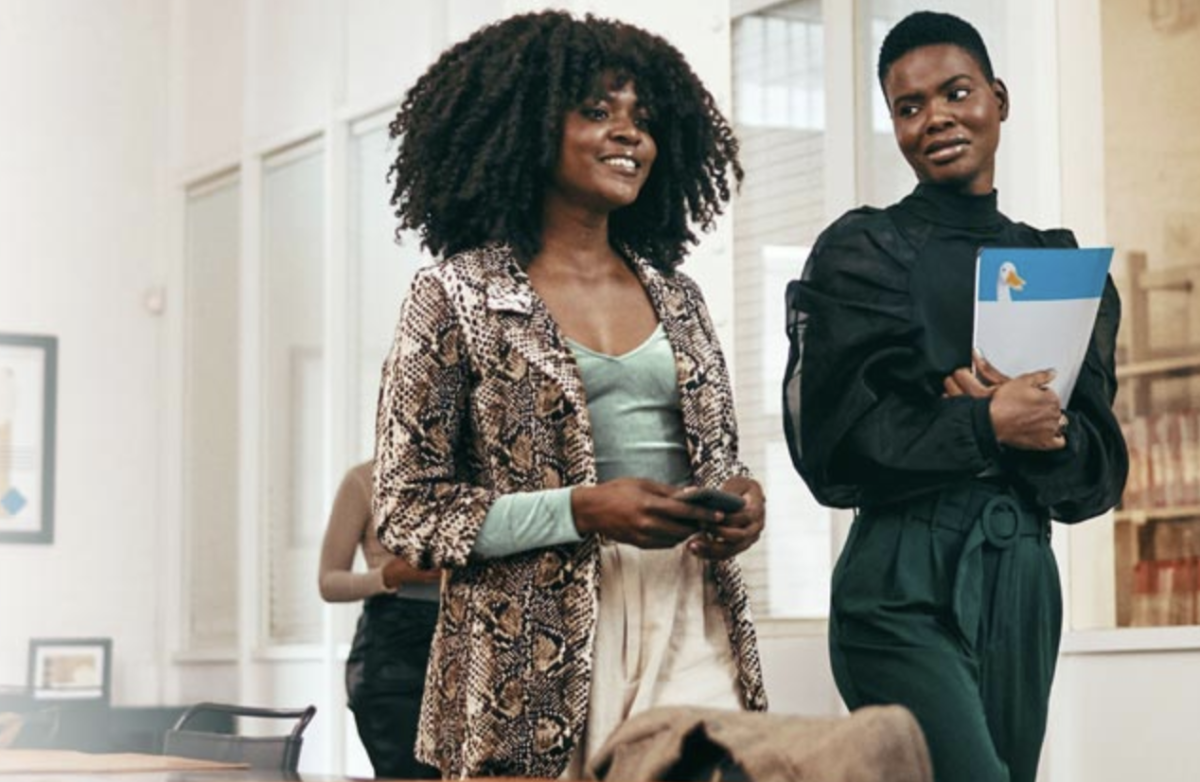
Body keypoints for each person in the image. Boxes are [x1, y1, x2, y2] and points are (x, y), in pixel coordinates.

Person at [373, 10, 767, 778]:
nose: (629, 135)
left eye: (643, 121)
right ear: (526, 126)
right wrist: (582, 510)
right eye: (597, 111)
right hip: (530, 649)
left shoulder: (680, 298)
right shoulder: (456, 295)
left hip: (689, 611)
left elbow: (721, 461)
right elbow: (407, 511)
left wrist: (740, 502)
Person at [782, 11, 1127, 782]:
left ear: (999, 99)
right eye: (908, 107)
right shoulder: (864, 252)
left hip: (1025, 573)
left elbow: (1099, 472)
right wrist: (983, 423)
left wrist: (1045, 429)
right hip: (899, 577)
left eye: (955, 92)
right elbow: (833, 450)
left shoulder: (1063, 268)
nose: (934, 117)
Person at [318, 460, 441, 779]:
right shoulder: (363, 479)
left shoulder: (475, 474)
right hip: (392, 651)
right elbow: (328, 582)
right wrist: (387, 575)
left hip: (464, 643)